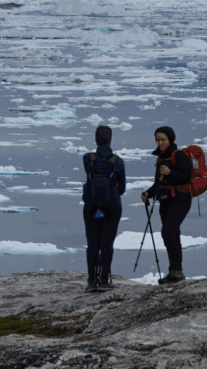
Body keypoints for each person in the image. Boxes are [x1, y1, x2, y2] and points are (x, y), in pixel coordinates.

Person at [141, 125, 192, 284]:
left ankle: (176, 271)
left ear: (171, 139)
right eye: (158, 140)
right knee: (171, 233)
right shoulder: (161, 157)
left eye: (163, 139)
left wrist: (171, 173)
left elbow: (186, 177)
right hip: (165, 200)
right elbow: (159, 183)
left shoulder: (179, 155)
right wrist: (148, 193)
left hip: (181, 199)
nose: (160, 142)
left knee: (168, 231)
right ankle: (175, 271)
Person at [82, 124, 126, 292]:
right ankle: (104, 280)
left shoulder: (88, 158)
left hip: (92, 205)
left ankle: (91, 281)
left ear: (96, 139)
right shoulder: (118, 162)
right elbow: (122, 188)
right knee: (107, 244)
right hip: (111, 205)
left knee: (92, 244)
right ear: (111, 139)